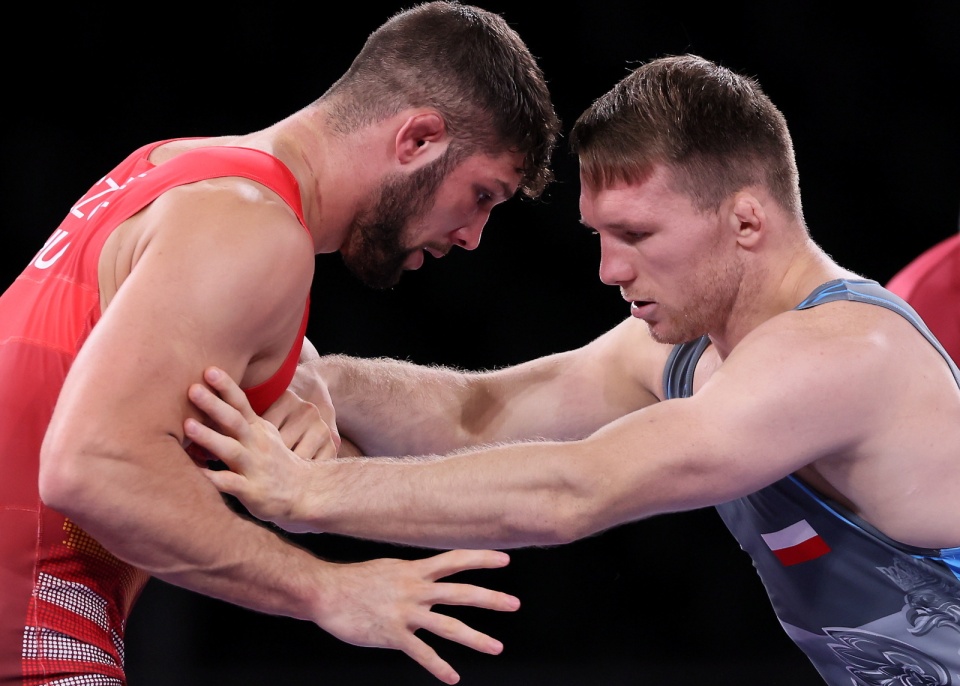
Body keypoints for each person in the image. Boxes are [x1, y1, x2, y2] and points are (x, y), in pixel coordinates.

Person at [185, 54, 960, 685]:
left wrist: (314, 491)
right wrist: (320, 380)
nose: (608, 270)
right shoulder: (679, 353)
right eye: (598, 234)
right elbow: (474, 412)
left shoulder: (846, 353)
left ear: (747, 219)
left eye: (635, 233)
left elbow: (576, 489)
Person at [0, 2, 561, 684]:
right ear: (417, 139)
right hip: (32, 631)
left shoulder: (176, 167)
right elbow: (90, 465)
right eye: (481, 195)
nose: (473, 235)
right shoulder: (256, 230)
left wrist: (297, 380)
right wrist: (327, 589)